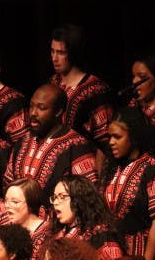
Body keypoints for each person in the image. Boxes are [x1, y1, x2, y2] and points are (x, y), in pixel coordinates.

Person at [4, 83, 98, 202]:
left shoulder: (76, 145)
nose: (33, 113)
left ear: (58, 111)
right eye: (31, 106)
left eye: (41, 108)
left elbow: (87, 195)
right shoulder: (23, 141)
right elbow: (8, 182)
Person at [101, 107, 155, 260]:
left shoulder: (152, 167)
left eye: (117, 137)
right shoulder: (112, 167)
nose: (111, 142)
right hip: (112, 254)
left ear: (134, 137)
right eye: (109, 137)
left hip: (138, 256)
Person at [48, 24, 114, 159]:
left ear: (73, 53)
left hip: (82, 161)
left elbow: (104, 141)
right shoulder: (53, 82)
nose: (54, 58)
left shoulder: (95, 90)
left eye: (61, 53)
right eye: (52, 51)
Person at [50, 175, 125, 260]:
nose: (55, 202)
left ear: (79, 198)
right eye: (55, 197)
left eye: (62, 197)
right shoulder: (58, 234)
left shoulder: (100, 237)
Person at [3, 177, 50, 260]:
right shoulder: (9, 231)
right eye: (6, 201)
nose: (7, 206)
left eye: (15, 202)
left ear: (31, 204)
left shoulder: (47, 234)